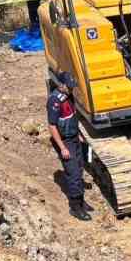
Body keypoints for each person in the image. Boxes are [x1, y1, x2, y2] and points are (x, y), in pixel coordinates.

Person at [47, 71, 91, 221]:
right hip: (65, 141)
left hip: (73, 137)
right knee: (73, 174)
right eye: (69, 86)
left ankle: (81, 201)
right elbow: (52, 126)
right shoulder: (54, 101)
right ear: (61, 85)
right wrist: (62, 148)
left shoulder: (68, 96)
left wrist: (78, 134)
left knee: (79, 168)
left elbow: (72, 116)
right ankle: (75, 207)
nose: (71, 89)